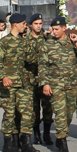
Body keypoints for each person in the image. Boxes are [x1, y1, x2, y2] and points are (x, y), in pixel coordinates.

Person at [38, 16, 77, 152]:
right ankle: (62, 142)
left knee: (68, 113)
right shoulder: (47, 45)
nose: (54, 32)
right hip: (56, 85)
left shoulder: (73, 42)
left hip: (72, 84)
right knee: (60, 113)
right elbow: (42, 66)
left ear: (64, 28)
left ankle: (61, 134)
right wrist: (45, 83)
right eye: (53, 29)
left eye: (56, 29)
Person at [0, 14, 39, 152]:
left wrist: (32, 43)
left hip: (23, 84)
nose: (26, 26)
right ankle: (8, 143)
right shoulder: (5, 42)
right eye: (24, 24)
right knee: (10, 114)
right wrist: (2, 77)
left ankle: (26, 143)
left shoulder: (24, 41)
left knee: (27, 112)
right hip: (9, 84)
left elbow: (32, 59)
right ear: (15, 24)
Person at [25, 14, 53, 144]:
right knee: (34, 108)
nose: (38, 26)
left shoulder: (47, 38)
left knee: (48, 107)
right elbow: (28, 58)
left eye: (40, 23)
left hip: (46, 78)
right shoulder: (26, 40)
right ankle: (36, 133)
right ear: (31, 25)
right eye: (36, 24)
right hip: (32, 79)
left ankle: (47, 133)